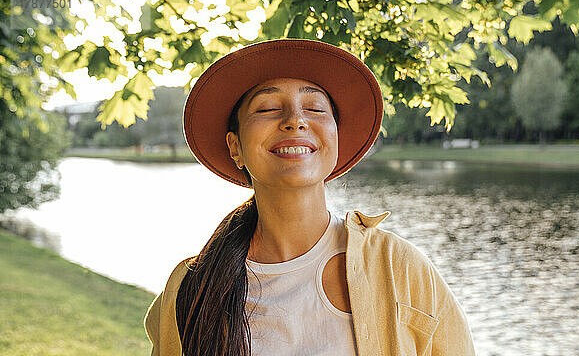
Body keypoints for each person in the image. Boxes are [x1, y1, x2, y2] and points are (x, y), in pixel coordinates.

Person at [143, 39, 476, 356]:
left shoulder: (400, 268)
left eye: (315, 108)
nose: (296, 121)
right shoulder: (191, 288)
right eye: (269, 108)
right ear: (235, 147)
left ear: (334, 138)